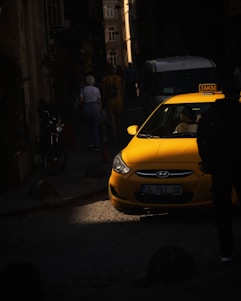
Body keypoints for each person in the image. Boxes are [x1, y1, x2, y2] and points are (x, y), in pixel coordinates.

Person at [197, 77, 241, 263]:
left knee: (222, 211)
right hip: (239, 165)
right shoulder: (239, 112)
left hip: (219, 168)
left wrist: (208, 161)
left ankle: (226, 251)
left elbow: (202, 140)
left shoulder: (211, 114)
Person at [101, 64, 124, 142]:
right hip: (118, 99)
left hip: (109, 100)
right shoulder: (118, 78)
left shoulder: (105, 79)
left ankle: (115, 136)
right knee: (119, 117)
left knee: (112, 118)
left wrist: (103, 101)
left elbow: (103, 90)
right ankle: (119, 132)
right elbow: (121, 88)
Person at [80, 75, 102, 151]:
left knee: (88, 126)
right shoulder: (96, 89)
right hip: (95, 106)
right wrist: (100, 109)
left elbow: (81, 100)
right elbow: (99, 100)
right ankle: (97, 144)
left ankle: (90, 143)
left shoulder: (83, 89)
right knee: (95, 126)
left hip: (87, 106)